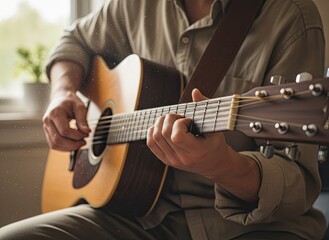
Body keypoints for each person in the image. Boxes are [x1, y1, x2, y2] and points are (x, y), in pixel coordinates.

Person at [0, 0, 326, 239]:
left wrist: (221, 166)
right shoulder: (133, 6)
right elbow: (73, 41)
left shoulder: (290, 15)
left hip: (245, 228)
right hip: (133, 216)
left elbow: (298, 185)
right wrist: (62, 92)